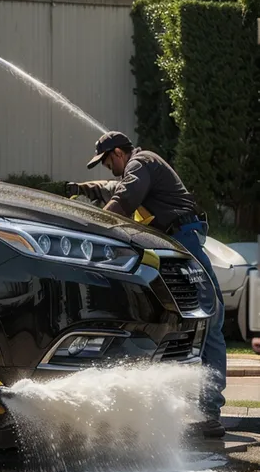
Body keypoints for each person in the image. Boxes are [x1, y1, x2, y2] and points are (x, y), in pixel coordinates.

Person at [67, 131, 227, 439]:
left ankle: (209, 412)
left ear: (117, 153)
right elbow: (115, 188)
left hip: (183, 241)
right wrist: (82, 189)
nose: (106, 168)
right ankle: (198, 409)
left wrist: (88, 230)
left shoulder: (141, 162)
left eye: (105, 161)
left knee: (211, 319)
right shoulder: (142, 165)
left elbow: (124, 199)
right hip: (177, 242)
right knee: (189, 322)